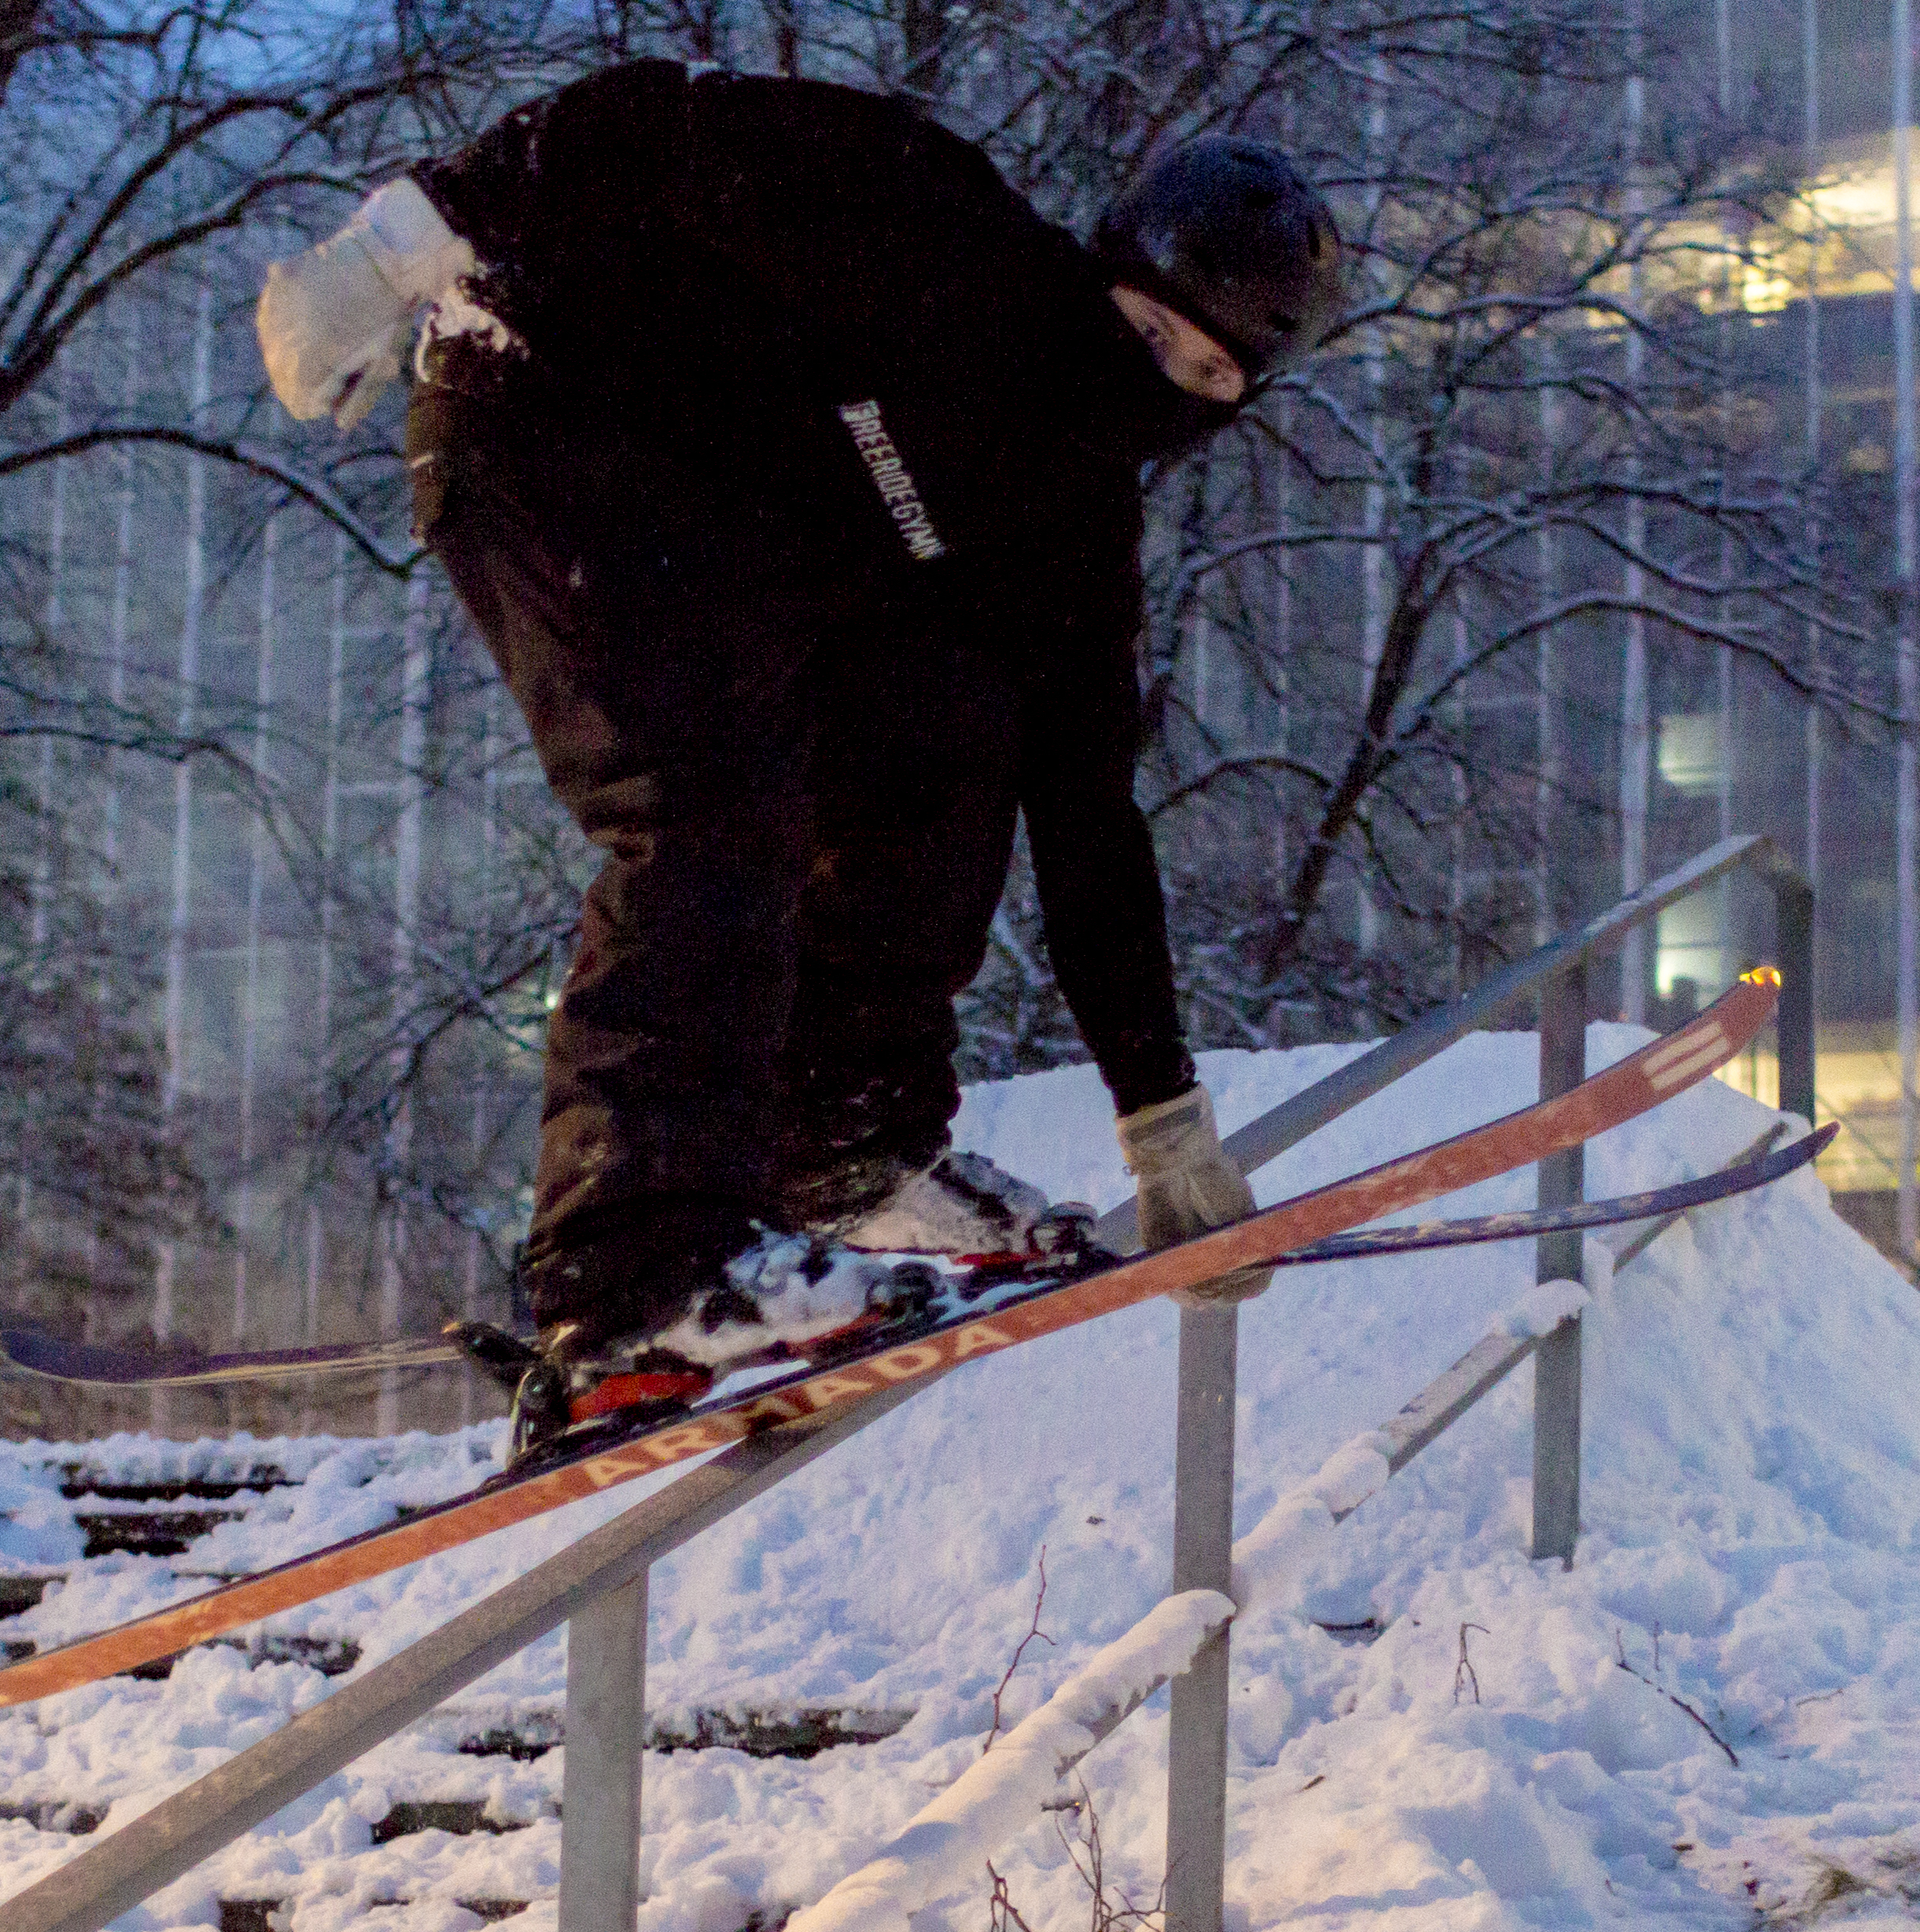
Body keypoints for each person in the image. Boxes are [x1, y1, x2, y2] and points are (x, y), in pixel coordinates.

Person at [256, 59, 1346, 1451]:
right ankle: (629, 1271)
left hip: (729, 532)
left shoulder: (1065, 526)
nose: (1148, 384)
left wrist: (1161, 1113)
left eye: (1200, 376)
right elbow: (645, 124)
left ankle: (839, 1140)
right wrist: (396, 250)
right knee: (705, 804)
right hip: (548, 395)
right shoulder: (930, 224)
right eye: (1143, 329)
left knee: (947, 725)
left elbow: (1086, 815)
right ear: (1099, 271)